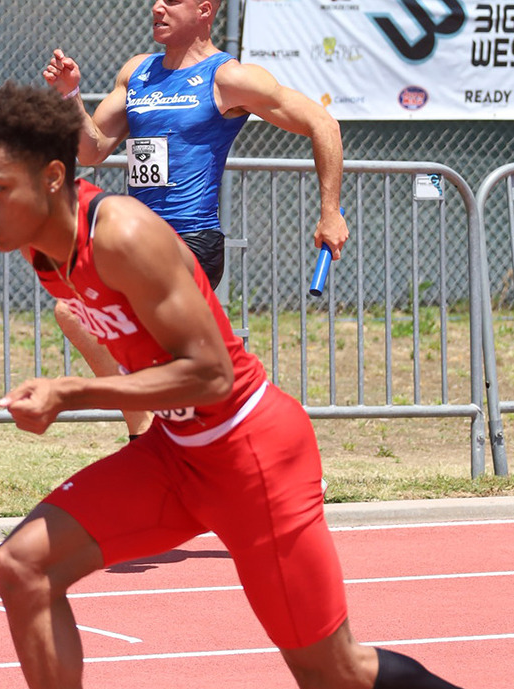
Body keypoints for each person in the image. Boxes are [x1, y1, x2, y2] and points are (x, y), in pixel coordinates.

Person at [0, 82, 514, 689]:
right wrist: (90, 393)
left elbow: (210, 374)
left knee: (329, 673)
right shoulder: (42, 253)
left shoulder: (120, 233)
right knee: (20, 567)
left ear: (53, 177)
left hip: (252, 451)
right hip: (178, 458)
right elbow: (132, 349)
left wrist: (74, 393)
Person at [41, 0, 347, 439]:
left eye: (172, 1)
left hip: (191, 241)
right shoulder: (138, 73)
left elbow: (323, 124)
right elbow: (90, 149)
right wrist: (70, 96)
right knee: (81, 314)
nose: (157, 8)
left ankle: (151, 435)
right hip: (138, 241)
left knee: (92, 317)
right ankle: (164, 433)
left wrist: (330, 210)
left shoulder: (228, 78)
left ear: (205, 11)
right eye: (155, 2)